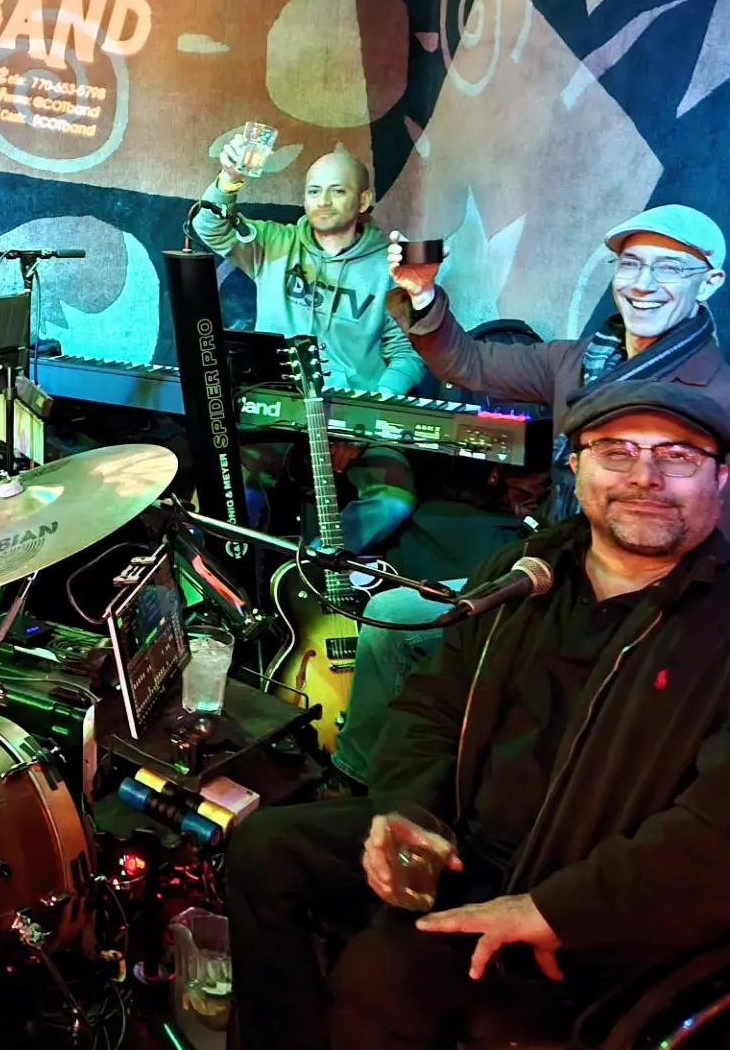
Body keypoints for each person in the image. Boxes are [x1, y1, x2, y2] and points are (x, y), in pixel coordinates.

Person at [224, 379, 730, 1050]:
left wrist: (556, 909)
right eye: (616, 451)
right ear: (575, 467)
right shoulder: (525, 570)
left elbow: (714, 831)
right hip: (469, 844)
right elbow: (431, 706)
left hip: (594, 899)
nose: (645, 476)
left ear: (721, 479)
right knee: (264, 846)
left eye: (677, 455)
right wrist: (409, 813)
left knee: (387, 973)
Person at [337, 205, 730, 781]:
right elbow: (467, 361)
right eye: (630, 265)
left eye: (669, 269)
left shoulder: (717, 394)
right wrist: (421, 296)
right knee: (393, 613)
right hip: (556, 563)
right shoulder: (577, 360)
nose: (643, 285)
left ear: (710, 282)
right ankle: (362, 783)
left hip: (646, 609)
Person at [192, 132, 423, 553]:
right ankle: (235, 588)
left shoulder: (391, 267)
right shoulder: (273, 243)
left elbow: (407, 355)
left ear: (364, 201)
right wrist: (229, 179)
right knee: (221, 488)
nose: (323, 200)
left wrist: (363, 427)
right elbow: (207, 226)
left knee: (393, 501)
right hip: (277, 413)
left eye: (338, 191)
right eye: (314, 190)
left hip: (352, 418)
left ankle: (310, 574)